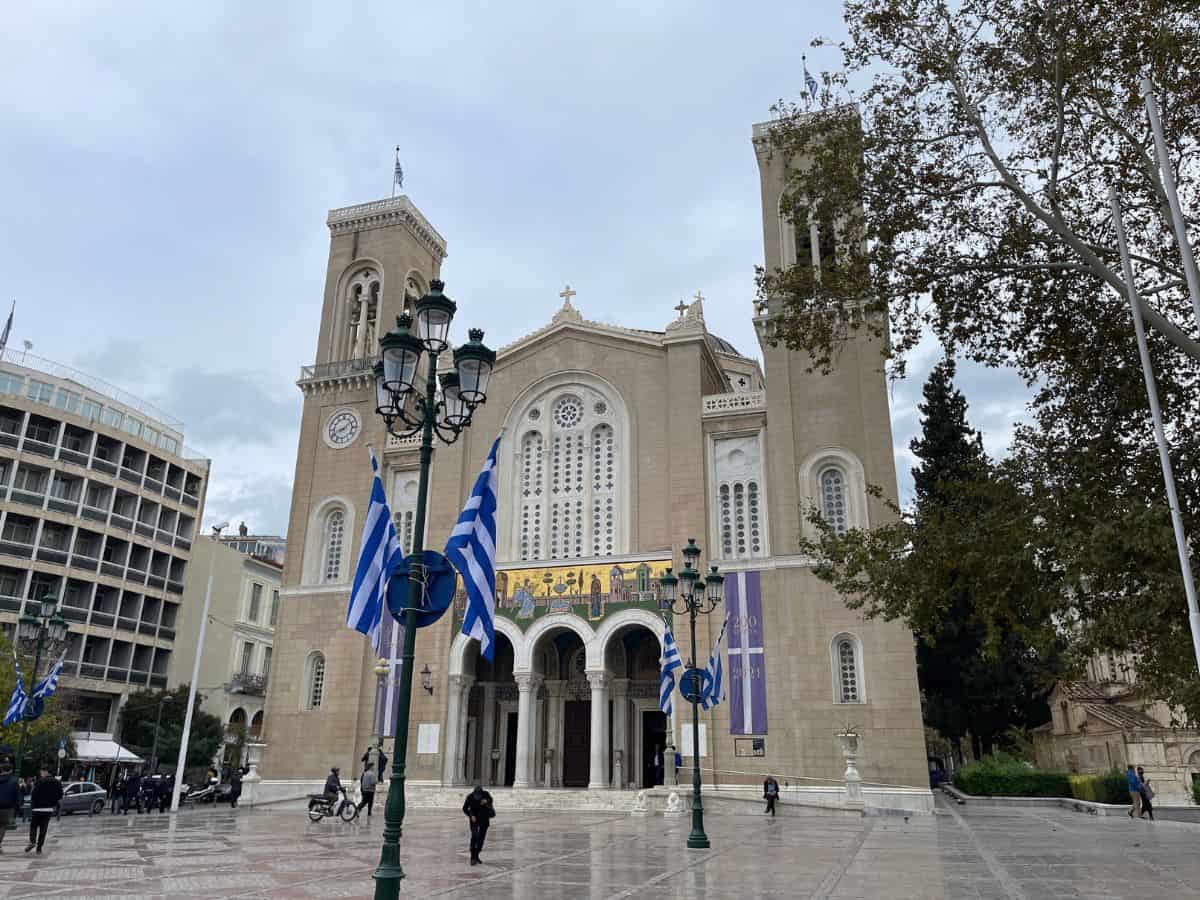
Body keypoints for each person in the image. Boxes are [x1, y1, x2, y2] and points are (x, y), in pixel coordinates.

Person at [26, 767, 62, 854]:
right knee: (43, 828)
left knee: (33, 826)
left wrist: (33, 805)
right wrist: (53, 801)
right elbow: (60, 794)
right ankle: (39, 848)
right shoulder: (57, 782)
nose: (41, 773)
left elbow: (34, 794)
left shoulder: (39, 781)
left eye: (41, 772)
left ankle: (32, 841)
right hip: (49, 809)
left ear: (46, 772)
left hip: (37, 808)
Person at [462, 785, 495, 865]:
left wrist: (486, 801)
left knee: (481, 839)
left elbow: (491, 800)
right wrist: (471, 816)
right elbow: (465, 808)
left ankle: (476, 856)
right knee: (474, 836)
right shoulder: (470, 797)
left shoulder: (485, 794)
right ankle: (472, 857)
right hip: (474, 820)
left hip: (484, 819)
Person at [0, 764, 18, 850]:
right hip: (7, 807)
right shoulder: (14, 781)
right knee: (3, 826)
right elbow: (16, 796)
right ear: (10, 770)